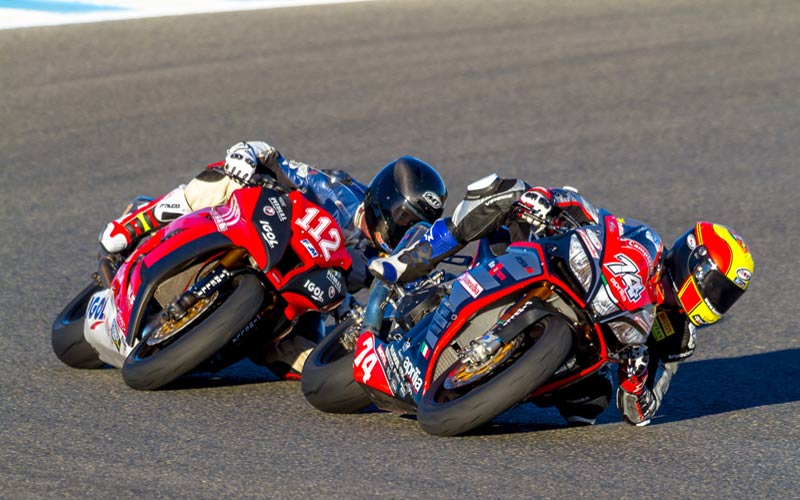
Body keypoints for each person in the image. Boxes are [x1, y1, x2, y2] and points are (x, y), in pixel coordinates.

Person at [368, 173, 754, 426]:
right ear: (695, 266)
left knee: (587, 408)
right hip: (558, 268)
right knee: (508, 190)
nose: (720, 303)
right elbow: (596, 217)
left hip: (584, 349)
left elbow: (640, 411)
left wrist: (636, 380)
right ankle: (415, 258)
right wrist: (550, 202)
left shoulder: (677, 340)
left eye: (728, 297)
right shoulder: (645, 242)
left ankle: (500, 385)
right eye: (719, 289)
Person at [99, 141, 448, 379]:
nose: (404, 231)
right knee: (221, 180)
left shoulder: (387, 260)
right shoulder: (337, 190)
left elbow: (400, 298)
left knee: (312, 356)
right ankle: (139, 221)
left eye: (415, 227)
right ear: (386, 199)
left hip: (293, 294)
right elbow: (272, 158)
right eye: (404, 218)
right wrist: (245, 156)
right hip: (260, 229)